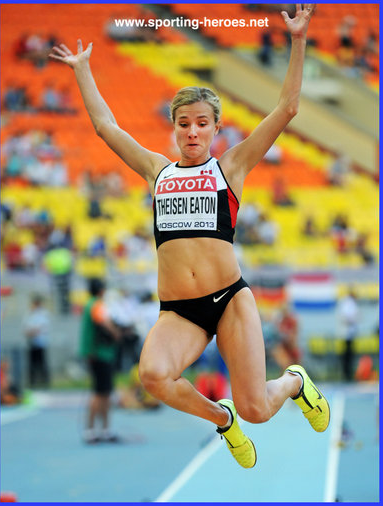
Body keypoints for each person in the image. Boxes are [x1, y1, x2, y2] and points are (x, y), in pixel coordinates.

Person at [50, 4, 330, 469]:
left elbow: (288, 108)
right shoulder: (156, 170)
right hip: (180, 310)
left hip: (229, 298)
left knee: (259, 408)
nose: (193, 131)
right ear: (174, 128)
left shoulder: (231, 167)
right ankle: (222, 420)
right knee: (154, 375)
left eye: (202, 123)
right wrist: (83, 70)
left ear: (216, 128)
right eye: (184, 123)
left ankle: (295, 383)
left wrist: (298, 40)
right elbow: (105, 127)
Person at [79, 278, 122, 443]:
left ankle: (104, 430)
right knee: (99, 393)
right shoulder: (96, 304)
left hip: (99, 353)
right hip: (100, 354)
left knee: (105, 392)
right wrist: (117, 333)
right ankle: (91, 430)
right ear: (100, 290)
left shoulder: (90, 304)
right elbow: (105, 324)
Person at [24, 293, 51, 388]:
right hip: (32, 342)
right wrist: (30, 332)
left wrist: (32, 331)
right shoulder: (30, 313)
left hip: (41, 342)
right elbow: (26, 328)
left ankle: (45, 382)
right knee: (32, 363)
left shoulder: (43, 313)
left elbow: (41, 327)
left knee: (42, 363)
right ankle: (33, 383)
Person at [338, 288, 359, 382]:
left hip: (350, 333)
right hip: (347, 333)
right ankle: (346, 374)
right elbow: (347, 317)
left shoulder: (350, 303)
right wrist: (354, 319)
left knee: (349, 355)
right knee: (347, 355)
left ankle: (348, 373)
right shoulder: (347, 303)